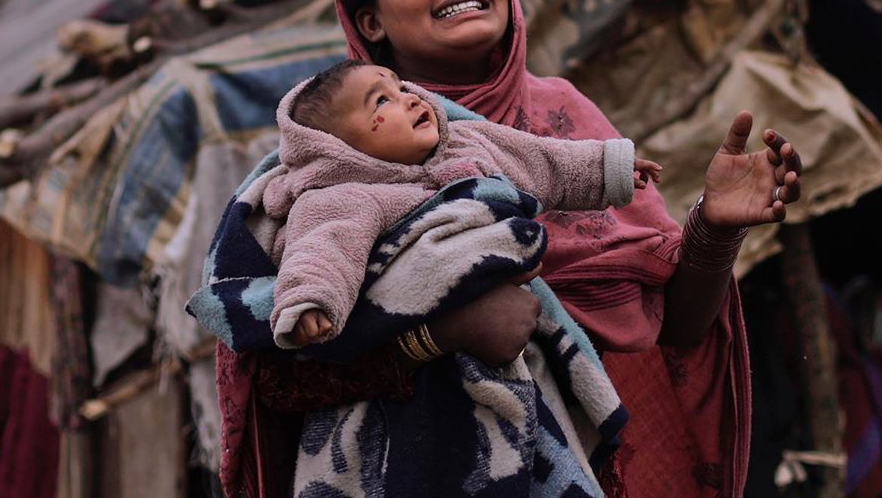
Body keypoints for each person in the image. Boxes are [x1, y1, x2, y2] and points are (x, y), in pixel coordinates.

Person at [215, 0, 803, 498]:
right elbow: (279, 381)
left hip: (619, 461)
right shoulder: (335, 166)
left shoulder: (564, 120)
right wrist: (441, 334)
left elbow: (675, 326)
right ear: (370, 20)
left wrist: (715, 228)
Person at [266, 59, 661, 348]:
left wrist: (609, 168)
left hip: (526, 331)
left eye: (401, 88)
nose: (409, 100)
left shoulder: (467, 142)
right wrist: (310, 301)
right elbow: (322, 248)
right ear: (337, 149)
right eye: (381, 102)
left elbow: (543, 161)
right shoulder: (344, 197)